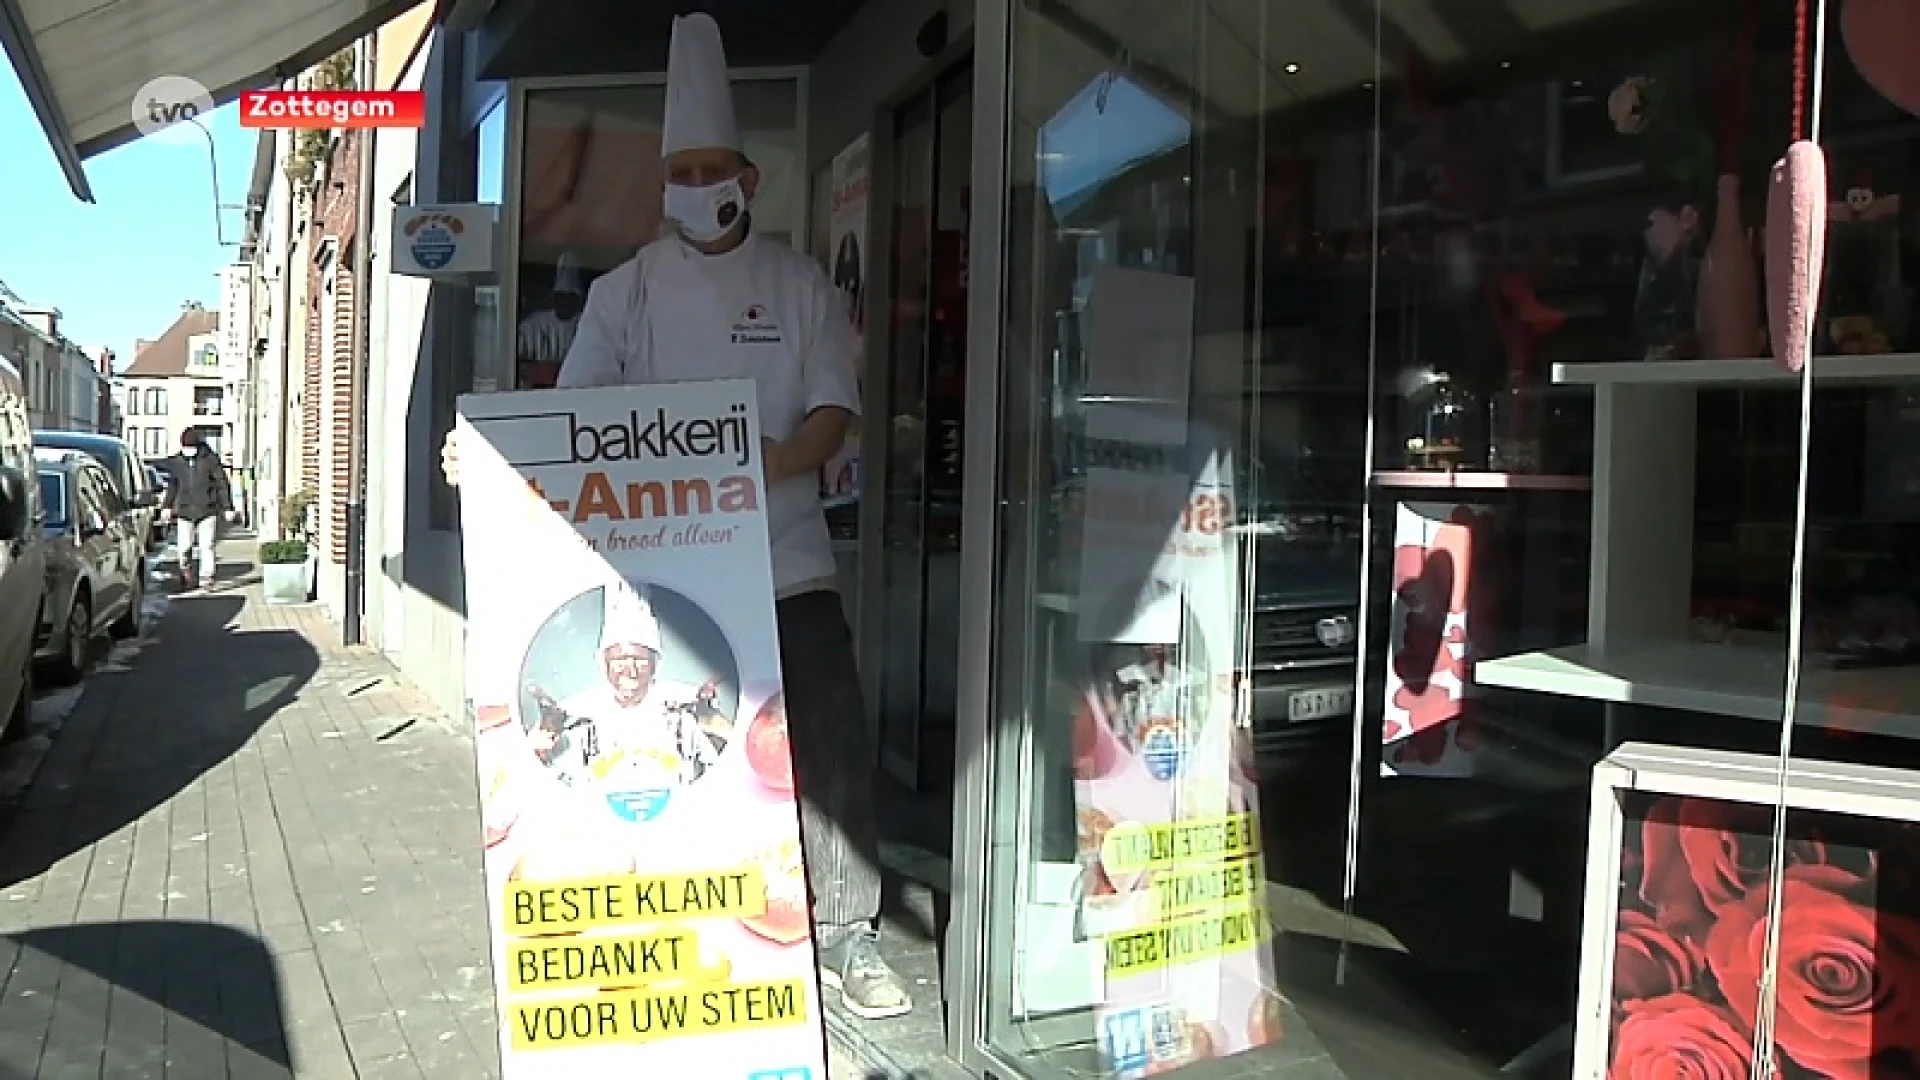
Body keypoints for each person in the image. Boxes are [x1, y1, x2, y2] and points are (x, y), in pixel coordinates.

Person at [442, 12, 911, 1021]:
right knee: (675, 752)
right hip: (668, 576)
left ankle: (850, 935)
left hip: (787, 562)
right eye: (683, 171)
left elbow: (836, 409)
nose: (701, 188)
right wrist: (481, 455)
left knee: (828, 741)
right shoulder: (626, 294)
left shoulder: (800, 286)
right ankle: (690, 929)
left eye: (715, 169)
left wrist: (766, 467)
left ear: (749, 176)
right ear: (667, 187)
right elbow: (571, 421)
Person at [526, 582, 719, 789]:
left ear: (656, 665)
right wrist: (546, 738)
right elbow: (543, 771)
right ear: (604, 665)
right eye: (619, 662)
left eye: (640, 661)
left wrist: (710, 720)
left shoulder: (686, 704)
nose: (630, 671)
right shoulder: (573, 711)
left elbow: (723, 764)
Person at [162, 429, 233, 593]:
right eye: (186, 447)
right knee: (184, 547)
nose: (188, 450)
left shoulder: (209, 460)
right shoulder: (177, 462)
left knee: (207, 546)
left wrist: (227, 508)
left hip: (207, 509)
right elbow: (173, 485)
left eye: (191, 447)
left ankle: (207, 578)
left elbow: (222, 484)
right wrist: (167, 506)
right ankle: (185, 571)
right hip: (185, 511)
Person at [517, 250, 586, 377]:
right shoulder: (532, 326)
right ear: (553, 297)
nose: (565, 302)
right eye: (561, 296)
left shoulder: (588, 323)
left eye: (570, 297)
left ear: (578, 299)